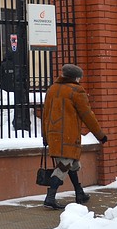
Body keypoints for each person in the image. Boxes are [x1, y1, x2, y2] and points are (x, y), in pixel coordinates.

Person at [41, 63, 108, 210]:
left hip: (54, 135)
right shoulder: (76, 91)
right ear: (76, 78)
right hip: (68, 136)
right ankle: (50, 198)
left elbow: (45, 113)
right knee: (64, 166)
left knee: (72, 164)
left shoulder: (52, 89)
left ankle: (79, 193)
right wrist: (100, 135)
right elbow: (87, 115)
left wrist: (45, 135)